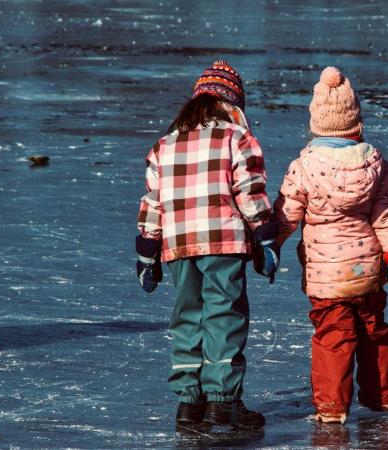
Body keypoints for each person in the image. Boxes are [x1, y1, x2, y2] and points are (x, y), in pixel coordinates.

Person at [135, 60, 278, 429]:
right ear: (232, 103)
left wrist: (147, 252)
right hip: (224, 242)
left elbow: (154, 201)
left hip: (179, 246)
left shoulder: (165, 145)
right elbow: (250, 194)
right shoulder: (237, 138)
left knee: (186, 317)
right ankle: (222, 402)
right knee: (224, 317)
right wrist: (266, 236)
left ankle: (188, 403)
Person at [272, 66, 388, 424]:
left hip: (326, 275)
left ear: (317, 123)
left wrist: (269, 245)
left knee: (334, 336)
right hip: (366, 270)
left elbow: (287, 215)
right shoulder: (374, 162)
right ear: (354, 120)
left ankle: (332, 408)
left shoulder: (304, 165)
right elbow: (385, 215)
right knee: (373, 329)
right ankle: (380, 397)